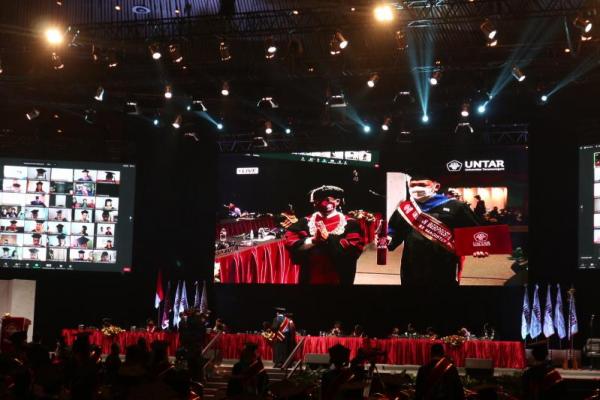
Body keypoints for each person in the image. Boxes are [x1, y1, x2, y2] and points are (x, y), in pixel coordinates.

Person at [388, 173, 488, 287]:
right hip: (412, 265)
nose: (416, 188)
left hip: (444, 264)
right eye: (412, 185)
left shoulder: (456, 206)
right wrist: (388, 238)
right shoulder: (405, 208)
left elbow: (475, 231)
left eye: (421, 184)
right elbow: (394, 231)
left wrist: (480, 247)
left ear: (436, 186)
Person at [285, 185, 365, 285]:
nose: (323, 203)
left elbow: (354, 250)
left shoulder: (351, 223)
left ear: (337, 202)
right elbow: (290, 241)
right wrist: (313, 240)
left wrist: (328, 238)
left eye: (327, 200)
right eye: (319, 200)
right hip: (311, 275)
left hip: (339, 276)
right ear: (314, 203)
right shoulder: (305, 222)